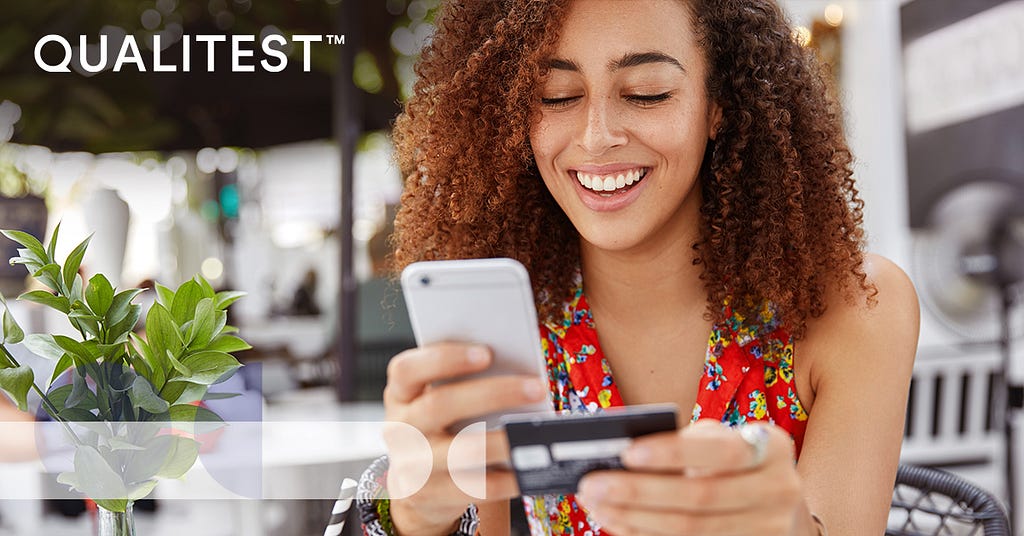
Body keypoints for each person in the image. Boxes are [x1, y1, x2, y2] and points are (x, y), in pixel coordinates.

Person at [357, 0, 920, 534]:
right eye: (556, 96)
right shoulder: (505, 323)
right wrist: (415, 518)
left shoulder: (855, 306)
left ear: (719, 104)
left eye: (647, 93)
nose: (597, 136)